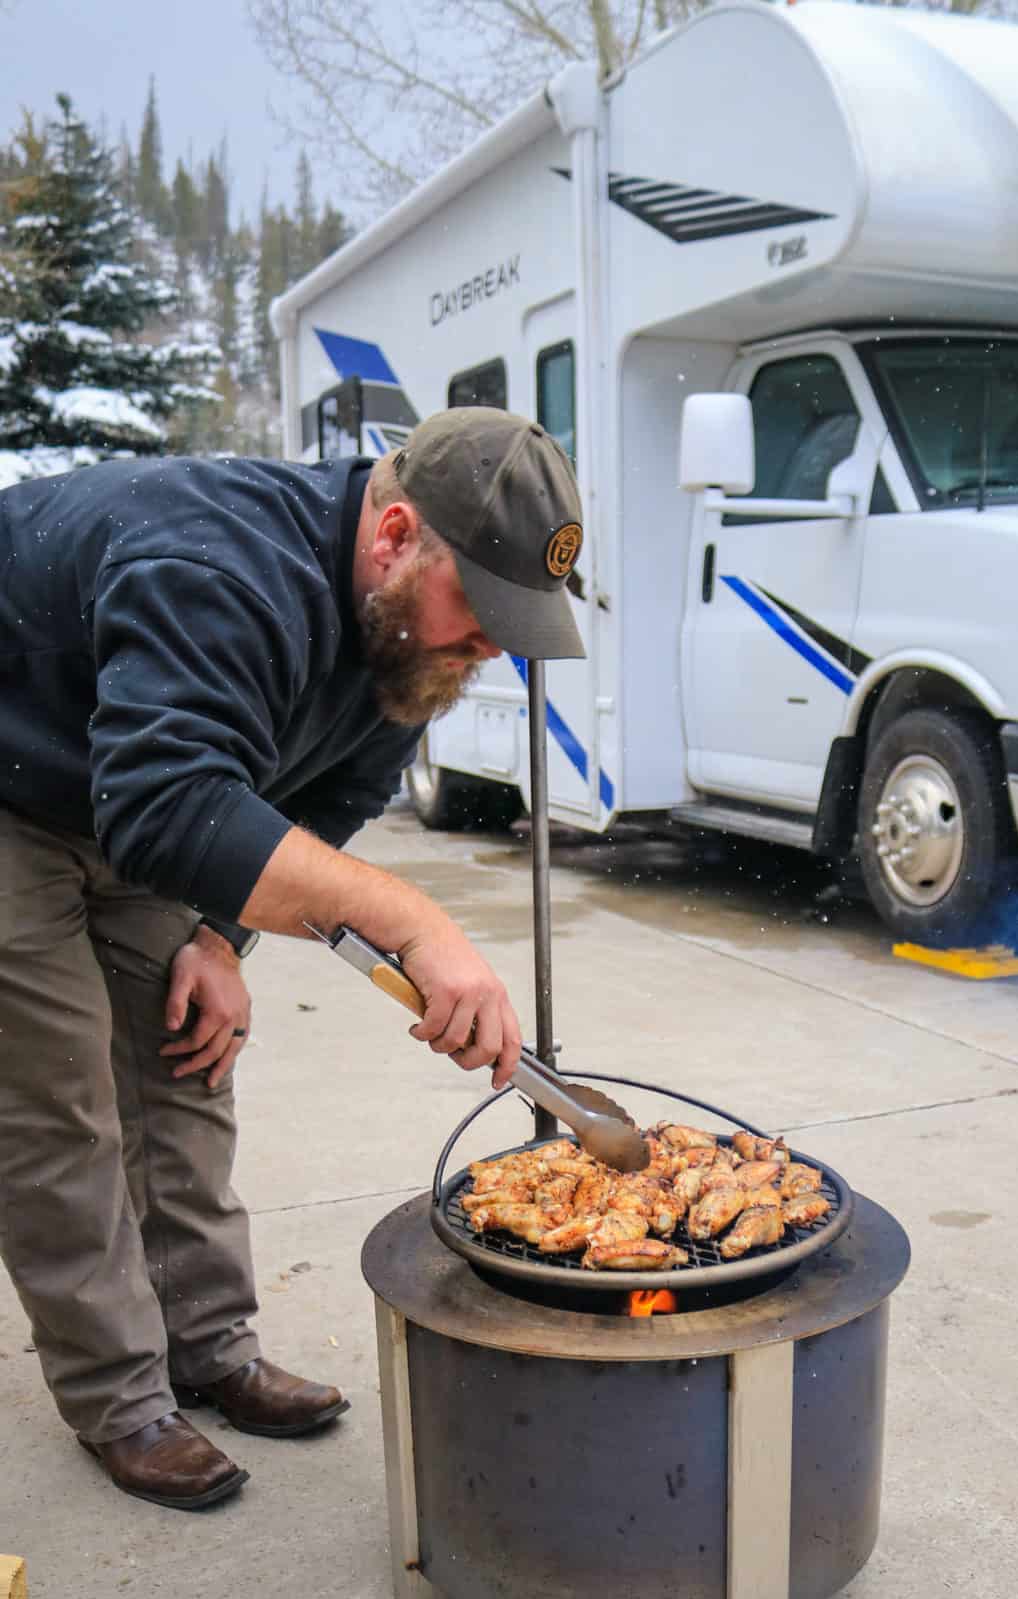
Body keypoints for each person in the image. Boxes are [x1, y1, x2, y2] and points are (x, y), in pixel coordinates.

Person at [0, 407, 586, 1511]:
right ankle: (121, 1399)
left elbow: (329, 798)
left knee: (190, 1056)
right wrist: (416, 922)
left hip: (127, 781)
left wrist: (223, 940)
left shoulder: (408, 629)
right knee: (59, 1105)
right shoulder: (218, 568)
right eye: (484, 605)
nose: (496, 643)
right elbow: (167, 807)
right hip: (19, 782)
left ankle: (208, 1350)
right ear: (397, 532)